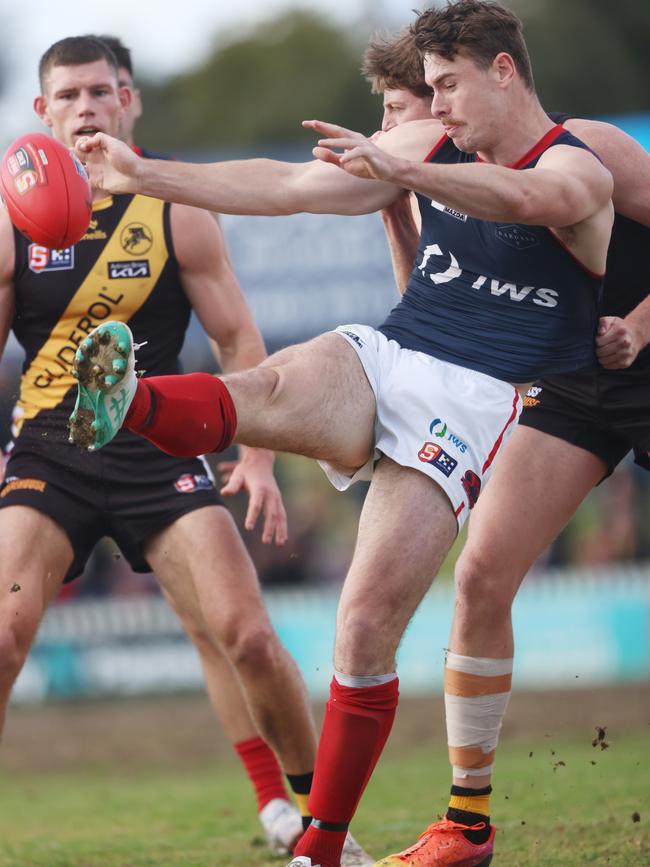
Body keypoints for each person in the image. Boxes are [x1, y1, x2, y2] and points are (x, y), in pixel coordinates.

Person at [70, 3, 615, 866]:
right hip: (394, 352)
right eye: (426, 90)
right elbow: (290, 188)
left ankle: (320, 851)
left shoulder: (578, 170)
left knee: (362, 626)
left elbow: (521, 198)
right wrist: (146, 174)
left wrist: (404, 174)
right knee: (272, 384)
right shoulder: (431, 143)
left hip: (470, 405)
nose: (434, 107)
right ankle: (130, 401)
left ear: (504, 71)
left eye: (447, 87)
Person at [0, 34, 322, 860]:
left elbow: (237, 339)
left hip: (158, 438)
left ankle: (320, 820)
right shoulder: (12, 218)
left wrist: (257, 456)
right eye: (67, 96)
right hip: (48, 449)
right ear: (42, 113)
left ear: (128, 100)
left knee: (242, 633)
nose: (86, 108)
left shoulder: (176, 203)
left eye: (101, 93)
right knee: (2, 636)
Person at [359, 24, 650, 866]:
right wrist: (393, 209)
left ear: (489, 81)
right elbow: (428, 316)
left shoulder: (586, 148)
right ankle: (467, 825)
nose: (401, 130)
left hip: (637, 349)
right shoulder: (445, 178)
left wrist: (634, 325)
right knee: (482, 574)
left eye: (406, 109)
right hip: (573, 384)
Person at [361, 29, 433, 294]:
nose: (385, 125)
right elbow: (421, 307)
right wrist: (394, 214)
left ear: (440, 101)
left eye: (396, 108)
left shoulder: (495, 168)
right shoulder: (416, 193)